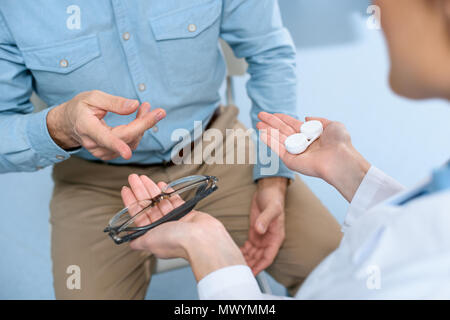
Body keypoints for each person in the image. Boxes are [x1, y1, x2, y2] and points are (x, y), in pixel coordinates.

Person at [0, 1, 342, 298]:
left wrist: (272, 175)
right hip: (95, 182)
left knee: (340, 267)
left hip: (217, 149)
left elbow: (269, 53)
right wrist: (61, 126)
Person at [121, 0, 450, 299]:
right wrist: (353, 175)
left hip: (215, 147)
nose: (375, 6)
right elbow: (426, 232)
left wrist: (211, 251)